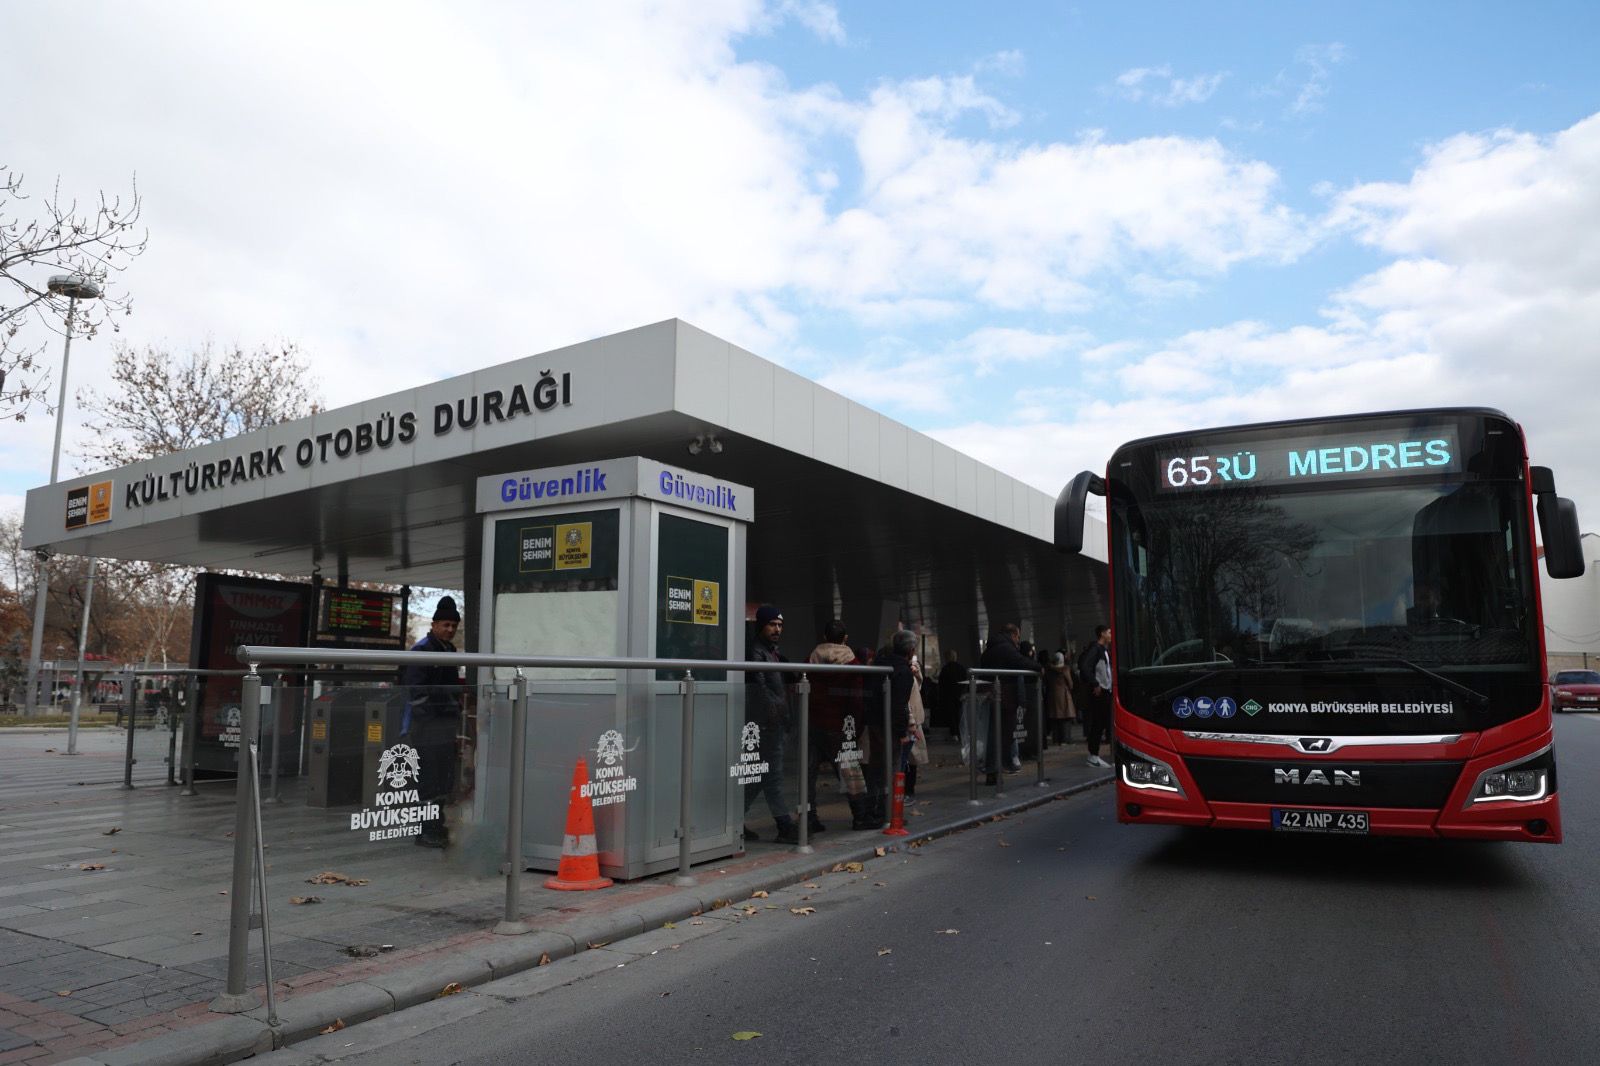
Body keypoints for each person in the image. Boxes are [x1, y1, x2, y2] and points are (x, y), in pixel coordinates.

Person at [402, 596, 466, 848]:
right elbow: (416, 692)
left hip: (444, 725)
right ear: (434, 624)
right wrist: (435, 717)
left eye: (454, 626)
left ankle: (435, 825)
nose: (450, 629)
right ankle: (425, 830)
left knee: (443, 779)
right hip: (427, 727)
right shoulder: (422, 651)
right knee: (428, 779)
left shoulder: (448, 650)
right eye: (446, 625)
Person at [807, 619, 870, 831]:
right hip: (841, 726)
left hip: (814, 723)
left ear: (824, 637)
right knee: (851, 773)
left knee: (808, 774)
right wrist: (856, 729)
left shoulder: (810, 660)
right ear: (845, 638)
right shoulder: (852, 664)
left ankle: (809, 818)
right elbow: (856, 700)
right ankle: (860, 816)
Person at [745, 605, 799, 845]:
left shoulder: (772, 652)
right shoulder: (756, 652)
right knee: (772, 776)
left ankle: (734, 820)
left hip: (771, 722)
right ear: (761, 625)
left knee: (758, 776)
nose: (777, 629)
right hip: (766, 724)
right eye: (772, 624)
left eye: (780, 625)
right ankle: (784, 825)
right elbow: (760, 688)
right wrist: (774, 716)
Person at [979, 623, 1042, 785]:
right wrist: (1038, 667)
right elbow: (1020, 661)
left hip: (993, 695)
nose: (1018, 640)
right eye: (1018, 637)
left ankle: (994, 768)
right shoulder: (1006, 647)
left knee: (995, 733)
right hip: (1004, 696)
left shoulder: (991, 648)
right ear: (1013, 634)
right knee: (1003, 733)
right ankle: (997, 767)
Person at [1079, 624, 1114, 768]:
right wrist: (1095, 683)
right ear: (1102, 634)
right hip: (1100, 691)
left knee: (1101, 722)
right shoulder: (1096, 649)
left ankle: (1094, 755)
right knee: (1098, 723)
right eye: (1109, 632)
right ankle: (1093, 755)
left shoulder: (1103, 650)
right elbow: (1085, 666)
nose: (1111, 635)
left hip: (1105, 690)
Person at [1045, 650, 1076, 746]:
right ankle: (1065, 739)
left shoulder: (1049, 670)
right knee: (1066, 717)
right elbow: (1070, 683)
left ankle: (1056, 739)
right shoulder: (1065, 669)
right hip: (1064, 695)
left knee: (1055, 718)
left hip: (1053, 695)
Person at [937, 649, 968, 738]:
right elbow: (965, 682)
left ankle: (954, 734)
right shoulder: (961, 668)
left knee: (951, 715)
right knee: (960, 714)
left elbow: (941, 685)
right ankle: (961, 733)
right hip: (960, 695)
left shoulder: (945, 669)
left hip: (948, 696)